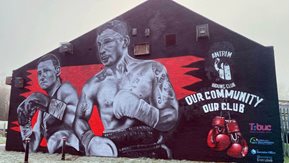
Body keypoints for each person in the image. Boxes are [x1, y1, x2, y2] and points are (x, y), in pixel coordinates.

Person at [74, 20, 179, 158]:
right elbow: (79, 119)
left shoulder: (152, 70)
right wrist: (89, 140)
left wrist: (141, 110)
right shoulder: (93, 84)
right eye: (99, 44)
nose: (101, 50)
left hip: (152, 151)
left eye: (107, 42)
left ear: (124, 41)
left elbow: (171, 116)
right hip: (113, 153)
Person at [17, 54, 80, 153]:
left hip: (73, 155)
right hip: (55, 156)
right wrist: (24, 124)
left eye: (46, 71)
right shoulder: (42, 111)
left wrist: (40, 99)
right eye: (39, 73)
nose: (42, 76)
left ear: (57, 71)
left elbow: (72, 120)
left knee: (57, 138)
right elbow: (31, 147)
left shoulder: (66, 90)